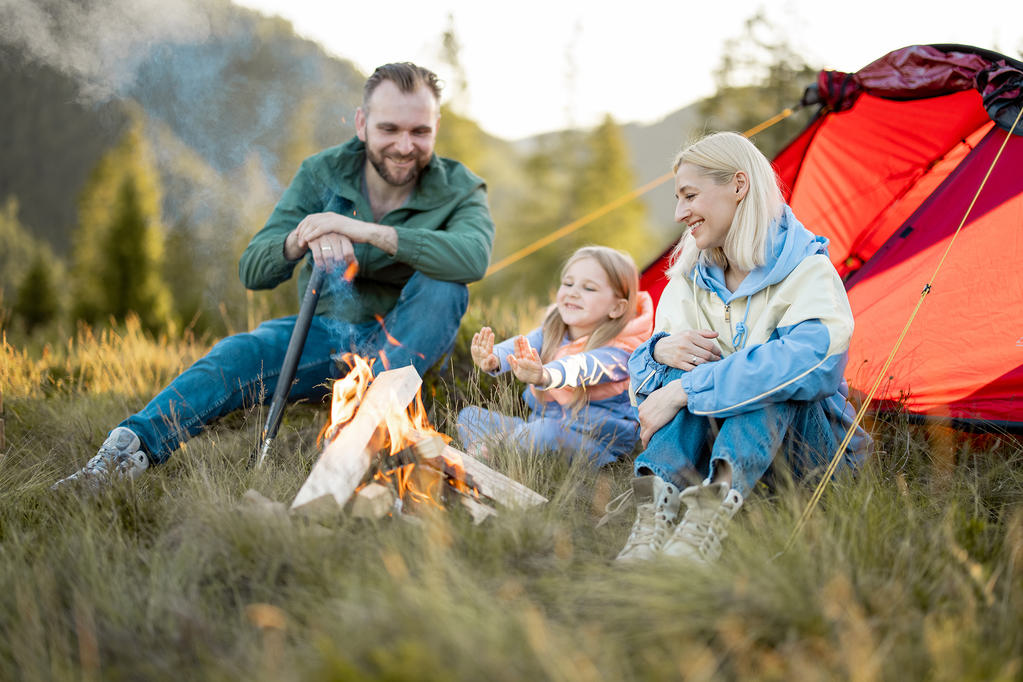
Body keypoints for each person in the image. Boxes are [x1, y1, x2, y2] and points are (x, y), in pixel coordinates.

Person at [55, 62, 495, 489]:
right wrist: (301, 237)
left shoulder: (461, 187)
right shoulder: (321, 172)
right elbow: (254, 267)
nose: (404, 145)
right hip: (323, 332)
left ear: (435, 127)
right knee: (236, 354)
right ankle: (125, 453)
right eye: (389, 129)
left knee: (445, 285)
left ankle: (361, 445)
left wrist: (363, 231)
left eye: (420, 131)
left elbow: (472, 257)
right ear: (362, 123)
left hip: (407, 339)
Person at [614, 131, 869, 563]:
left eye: (689, 195)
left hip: (811, 464)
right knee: (693, 361)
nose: (679, 213)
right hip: (711, 451)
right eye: (678, 199)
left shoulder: (807, 270)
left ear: (738, 185)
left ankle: (708, 517)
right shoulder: (686, 281)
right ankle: (656, 508)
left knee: (770, 373)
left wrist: (687, 390)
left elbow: (814, 362)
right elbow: (646, 396)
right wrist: (658, 354)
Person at [457, 246, 654, 466]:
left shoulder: (622, 352)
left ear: (617, 308)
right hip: (537, 426)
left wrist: (545, 376)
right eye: (568, 283)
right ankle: (488, 453)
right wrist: (494, 358)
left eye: (589, 288)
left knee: (545, 433)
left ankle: (496, 452)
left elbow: (583, 367)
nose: (573, 292)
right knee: (469, 417)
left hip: (594, 442)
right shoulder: (553, 330)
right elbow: (522, 345)